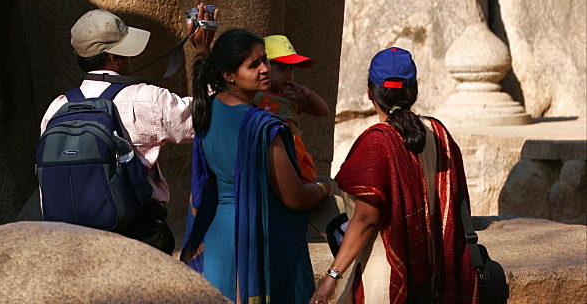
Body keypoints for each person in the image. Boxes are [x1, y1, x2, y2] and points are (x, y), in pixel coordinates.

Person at [40, 3, 217, 254]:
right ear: (114, 58)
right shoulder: (146, 99)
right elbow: (206, 117)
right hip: (138, 235)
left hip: (73, 241)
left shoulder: (57, 108)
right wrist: (202, 50)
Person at [310, 47, 478, 304]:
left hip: (384, 281)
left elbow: (366, 218)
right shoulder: (438, 132)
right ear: (414, 92)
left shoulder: (377, 143)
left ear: (370, 92)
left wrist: (331, 277)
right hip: (432, 275)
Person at [182, 28, 338, 304]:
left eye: (265, 60)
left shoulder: (209, 107)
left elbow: (206, 73)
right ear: (229, 75)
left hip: (219, 235)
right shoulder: (263, 127)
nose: (265, 69)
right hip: (254, 235)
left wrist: (202, 49)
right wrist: (325, 186)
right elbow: (295, 198)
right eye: (254, 65)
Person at [254, 33, 329, 182]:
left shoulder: (290, 98)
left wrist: (309, 95)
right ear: (264, 67)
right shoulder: (254, 95)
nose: (288, 75)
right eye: (282, 69)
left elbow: (323, 111)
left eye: (291, 69)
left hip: (295, 155)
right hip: (269, 155)